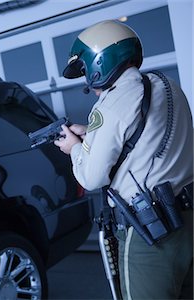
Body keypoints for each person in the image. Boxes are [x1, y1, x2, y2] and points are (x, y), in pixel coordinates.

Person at [54, 20, 193, 299]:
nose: (86, 80)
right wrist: (90, 135)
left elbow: (91, 178)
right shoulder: (167, 85)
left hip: (150, 233)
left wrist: (75, 149)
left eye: (84, 70)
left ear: (98, 62)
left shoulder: (111, 104)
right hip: (188, 221)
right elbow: (144, 144)